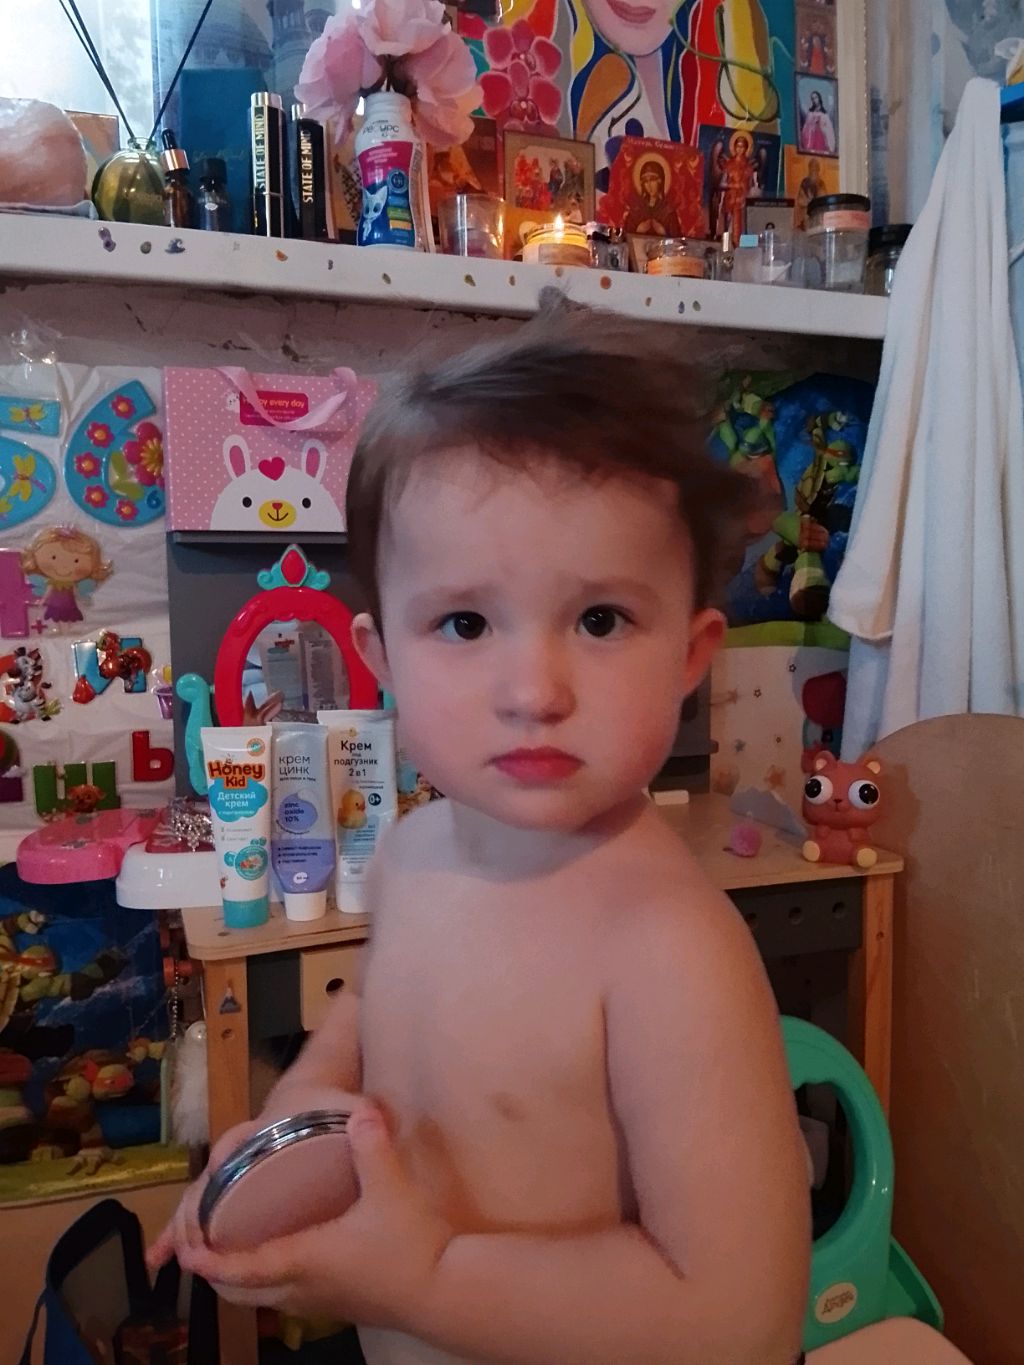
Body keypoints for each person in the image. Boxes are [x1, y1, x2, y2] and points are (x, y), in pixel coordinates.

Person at [150, 309, 811, 1365]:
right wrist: (297, 1123)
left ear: (690, 657)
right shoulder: (411, 854)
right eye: (464, 623)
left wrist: (424, 1279)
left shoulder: (668, 952)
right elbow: (371, 1015)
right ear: (381, 659)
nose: (533, 691)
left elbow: (742, 1318)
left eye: (600, 620)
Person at [624, 157, 682, 235]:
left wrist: (662, 232)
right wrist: (639, 231)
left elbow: (676, 239)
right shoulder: (636, 210)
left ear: (660, 181)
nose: (649, 185)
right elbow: (625, 237)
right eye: (645, 181)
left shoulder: (668, 212)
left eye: (652, 180)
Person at [800, 88, 836, 155]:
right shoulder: (810, 113)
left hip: (821, 138)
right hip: (812, 138)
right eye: (812, 98)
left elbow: (829, 129)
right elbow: (806, 128)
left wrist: (821, 125)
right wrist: (813, 124)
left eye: (816, 97)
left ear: (819, 98)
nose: (814, 100)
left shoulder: (825, 114)